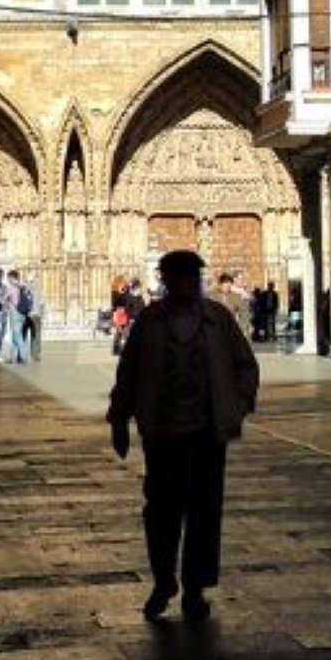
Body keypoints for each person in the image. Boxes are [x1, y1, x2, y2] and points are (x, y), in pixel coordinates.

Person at [108, 249, 260, 622]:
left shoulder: (218, 320)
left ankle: (194, 589)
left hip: (207, 433)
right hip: (161, 434)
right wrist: (119, 419)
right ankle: (164, 582)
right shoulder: (149, 322)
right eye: (177, 278)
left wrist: (236, 406)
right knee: (161, 511)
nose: (186, 285)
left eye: (191, 278)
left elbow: (246, 367)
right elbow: (128, 372)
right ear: (166, 280)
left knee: (204, 512)